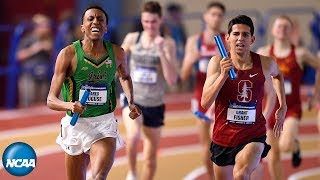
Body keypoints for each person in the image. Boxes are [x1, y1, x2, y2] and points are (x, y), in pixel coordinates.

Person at [47, 5, 141, 180]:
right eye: (90, 19)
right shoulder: (68, 54)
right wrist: (69, 105)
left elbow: (125, 77)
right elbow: (51, 100)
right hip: (75, 126)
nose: (95, 22)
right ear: (82, 27)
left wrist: (131, 101)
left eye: (100, 19)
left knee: (98, 177)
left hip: (103, 124)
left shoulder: (117, 53)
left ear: (106, 27)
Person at [201, 15, 287, 180]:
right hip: (223, 136)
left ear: (252, 39)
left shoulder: (266, 63)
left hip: (253, 134)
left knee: (241, 174)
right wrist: (223, 76)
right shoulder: (217, 62)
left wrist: (283, 106)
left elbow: (279, 76)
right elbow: (205, 103)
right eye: (236, 34)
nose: (240, 38)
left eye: (245, 34)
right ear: (227, 37)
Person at [257, 15, 320, 180]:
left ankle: (295, 145)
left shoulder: (300, 53)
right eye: (279, 26)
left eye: (286, 27)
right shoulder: (263, 53)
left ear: (291, 31)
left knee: (284, 146)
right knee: (273, 152)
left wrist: (316, 94)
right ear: (273, 30)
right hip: (270, 108)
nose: (282, 29)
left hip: (291, 108)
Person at [120, 1, 178, 180]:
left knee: (150, 159)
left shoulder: (167, 43)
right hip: (133, 100)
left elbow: (172, 79)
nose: (149, 26)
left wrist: (161, 52)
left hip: (155, 104)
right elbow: (118, 60)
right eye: (146, 21)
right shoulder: (132, 38)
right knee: (133, 134)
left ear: (160, 20)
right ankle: (132, 173)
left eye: (153, 22)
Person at [180, 2, 226, 179]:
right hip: (201, 99)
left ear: (222, 18)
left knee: (218, 142)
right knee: (205, 146)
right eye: (212, 14)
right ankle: (211, 176)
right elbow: (183, 76)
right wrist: (191, 59)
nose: (215, 18)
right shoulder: (194, 41)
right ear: (205, 16)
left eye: (219, 15)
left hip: (221, 99)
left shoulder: (227, 40)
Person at [16, 14, 53, 107]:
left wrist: (50, 49)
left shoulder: (49, 39)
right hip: (29, 76)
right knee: (27, 104)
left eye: (47, 26)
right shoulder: (28, 38)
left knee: (41, 105)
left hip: (44, 75)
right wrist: (35, 48)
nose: (47, 28)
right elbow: (18, 56)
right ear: (36, 27)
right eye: (44, 26)